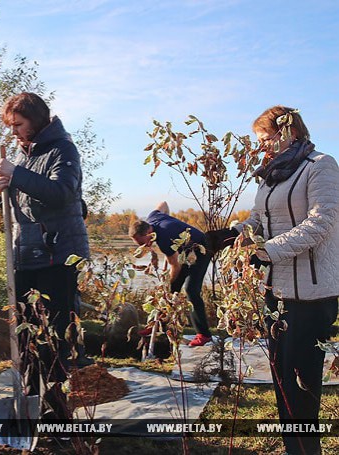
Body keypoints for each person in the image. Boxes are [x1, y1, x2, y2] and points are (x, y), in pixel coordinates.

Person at [212, 106, 339, 455]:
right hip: (277, 291)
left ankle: (306, 451)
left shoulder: (321, 165)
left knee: (302, 384)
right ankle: (292, 449)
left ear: (290, 131)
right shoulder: (271, 175)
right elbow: (257, 219)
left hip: (312, 294)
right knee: (282, 380)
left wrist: (265, 251)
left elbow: (320, 222)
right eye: (259, 141)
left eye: (267, 139)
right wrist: (228, 236)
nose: (262, 147)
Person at [0, 92, 90, 419]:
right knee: (28, 331)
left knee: (55, 337)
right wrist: (4, 188)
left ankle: (58, 414)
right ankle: (32, 402)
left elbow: (62, 193)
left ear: (36, 119)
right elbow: (21, 206)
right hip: (26, 254)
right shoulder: (23, 155)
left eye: (19, 125)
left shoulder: (63, 149)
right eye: (12, 126)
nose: (15, 132)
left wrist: (15, 175)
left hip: (57, 255)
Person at [129, 201, 212, 347]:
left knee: (190, 290)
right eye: (140, 245)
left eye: (145, 242)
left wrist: (168, 283)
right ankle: (158, 324)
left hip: (201, 249)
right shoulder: (152, 217)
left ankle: (204, 335)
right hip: (185, 252)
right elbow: (163, 204)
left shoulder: (164, 239)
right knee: (170, 291)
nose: (145, 246)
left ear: (149, 232)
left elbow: (176, 266)